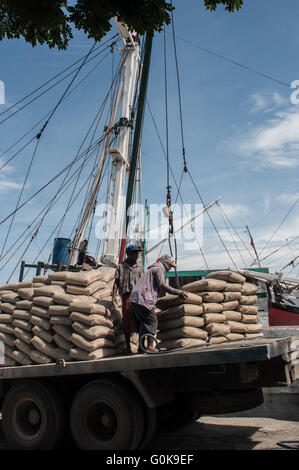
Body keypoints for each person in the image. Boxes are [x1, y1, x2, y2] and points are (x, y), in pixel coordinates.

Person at [130, 254, 188, 353]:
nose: (170, 268)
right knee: (152, 322)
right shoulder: (159, 269)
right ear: (165, 262)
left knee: (143, 324)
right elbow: (162, 285)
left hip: (136, 298)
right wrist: (178, 292)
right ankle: (149, 347)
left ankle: (141, 348)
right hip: (143, 298)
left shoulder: (154, 269)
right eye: (170, 266)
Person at [114, 244, 144, 353]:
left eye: (137, 254)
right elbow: (117, 282)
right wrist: (114, 294)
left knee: (140, 320)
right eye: (135, 254)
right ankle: (128, 347)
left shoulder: (139, 268)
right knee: (127, 320)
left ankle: (141, 346)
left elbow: (143, 282)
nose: (137, 256)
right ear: (129, 254)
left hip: (138, 297)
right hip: (126, 296)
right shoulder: (121, 267)